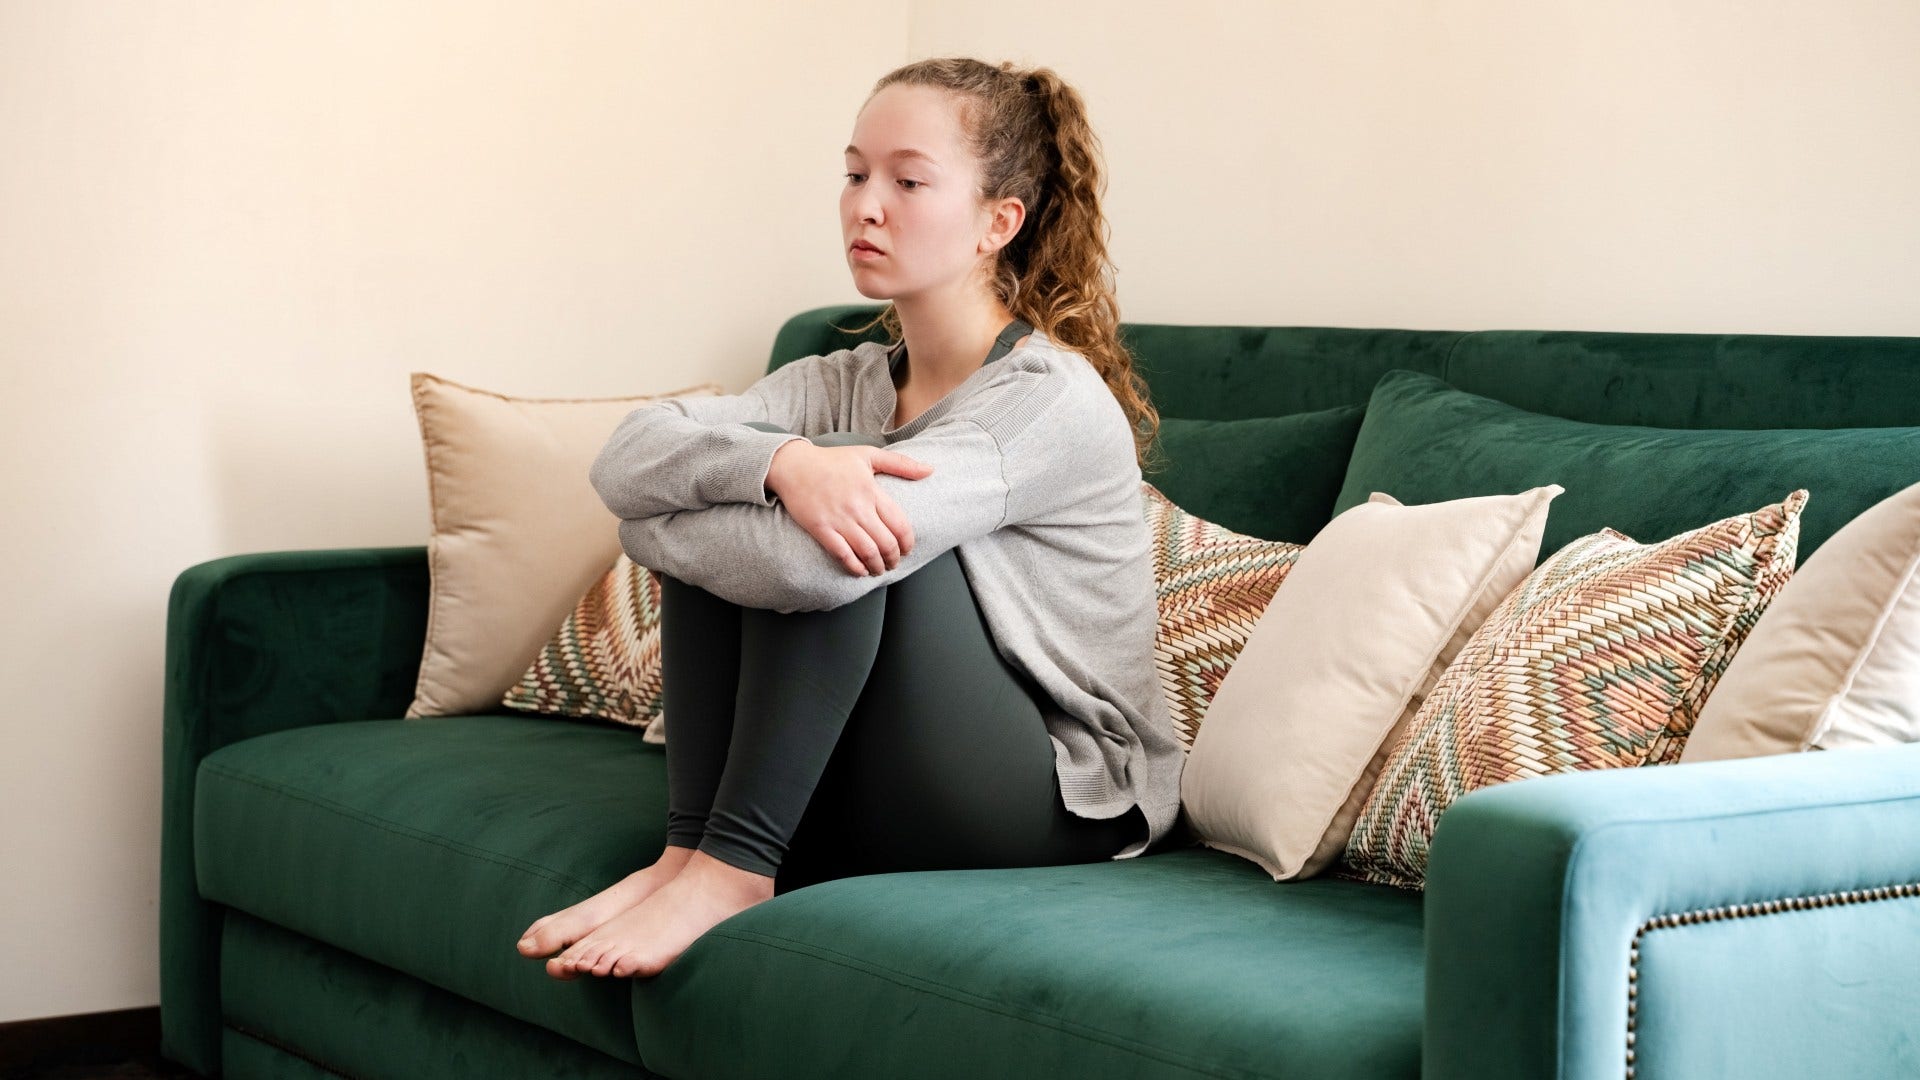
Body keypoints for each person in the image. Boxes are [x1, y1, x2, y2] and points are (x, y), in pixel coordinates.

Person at [513, 56, 1182, 982]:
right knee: (794, 474)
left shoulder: (1047, 400)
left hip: (1059, 801)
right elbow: (626, 457)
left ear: (999, 222)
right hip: (880, 771)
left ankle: (735, 869)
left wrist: (670, 522)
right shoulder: (841, 378)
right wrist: (779, 465)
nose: (866, 206)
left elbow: (815, 568)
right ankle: (688, 853)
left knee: (846, 514)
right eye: (855, 173)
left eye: (908, 181)